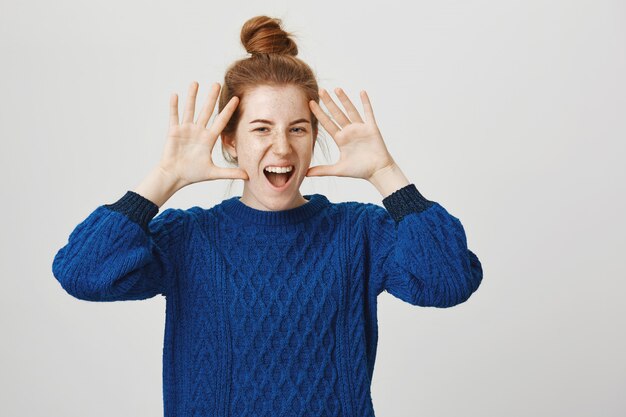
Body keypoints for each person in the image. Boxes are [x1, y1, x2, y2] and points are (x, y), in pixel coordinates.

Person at [52, 15, 483, 417]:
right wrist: (163, 179)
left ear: (316, 138)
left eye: (298, 128)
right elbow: (82, 273)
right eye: (261, 128)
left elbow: (448, 281)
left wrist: (387, 174)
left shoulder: (360, 232)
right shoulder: (188, 237)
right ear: (230, 141)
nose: (281, 148)